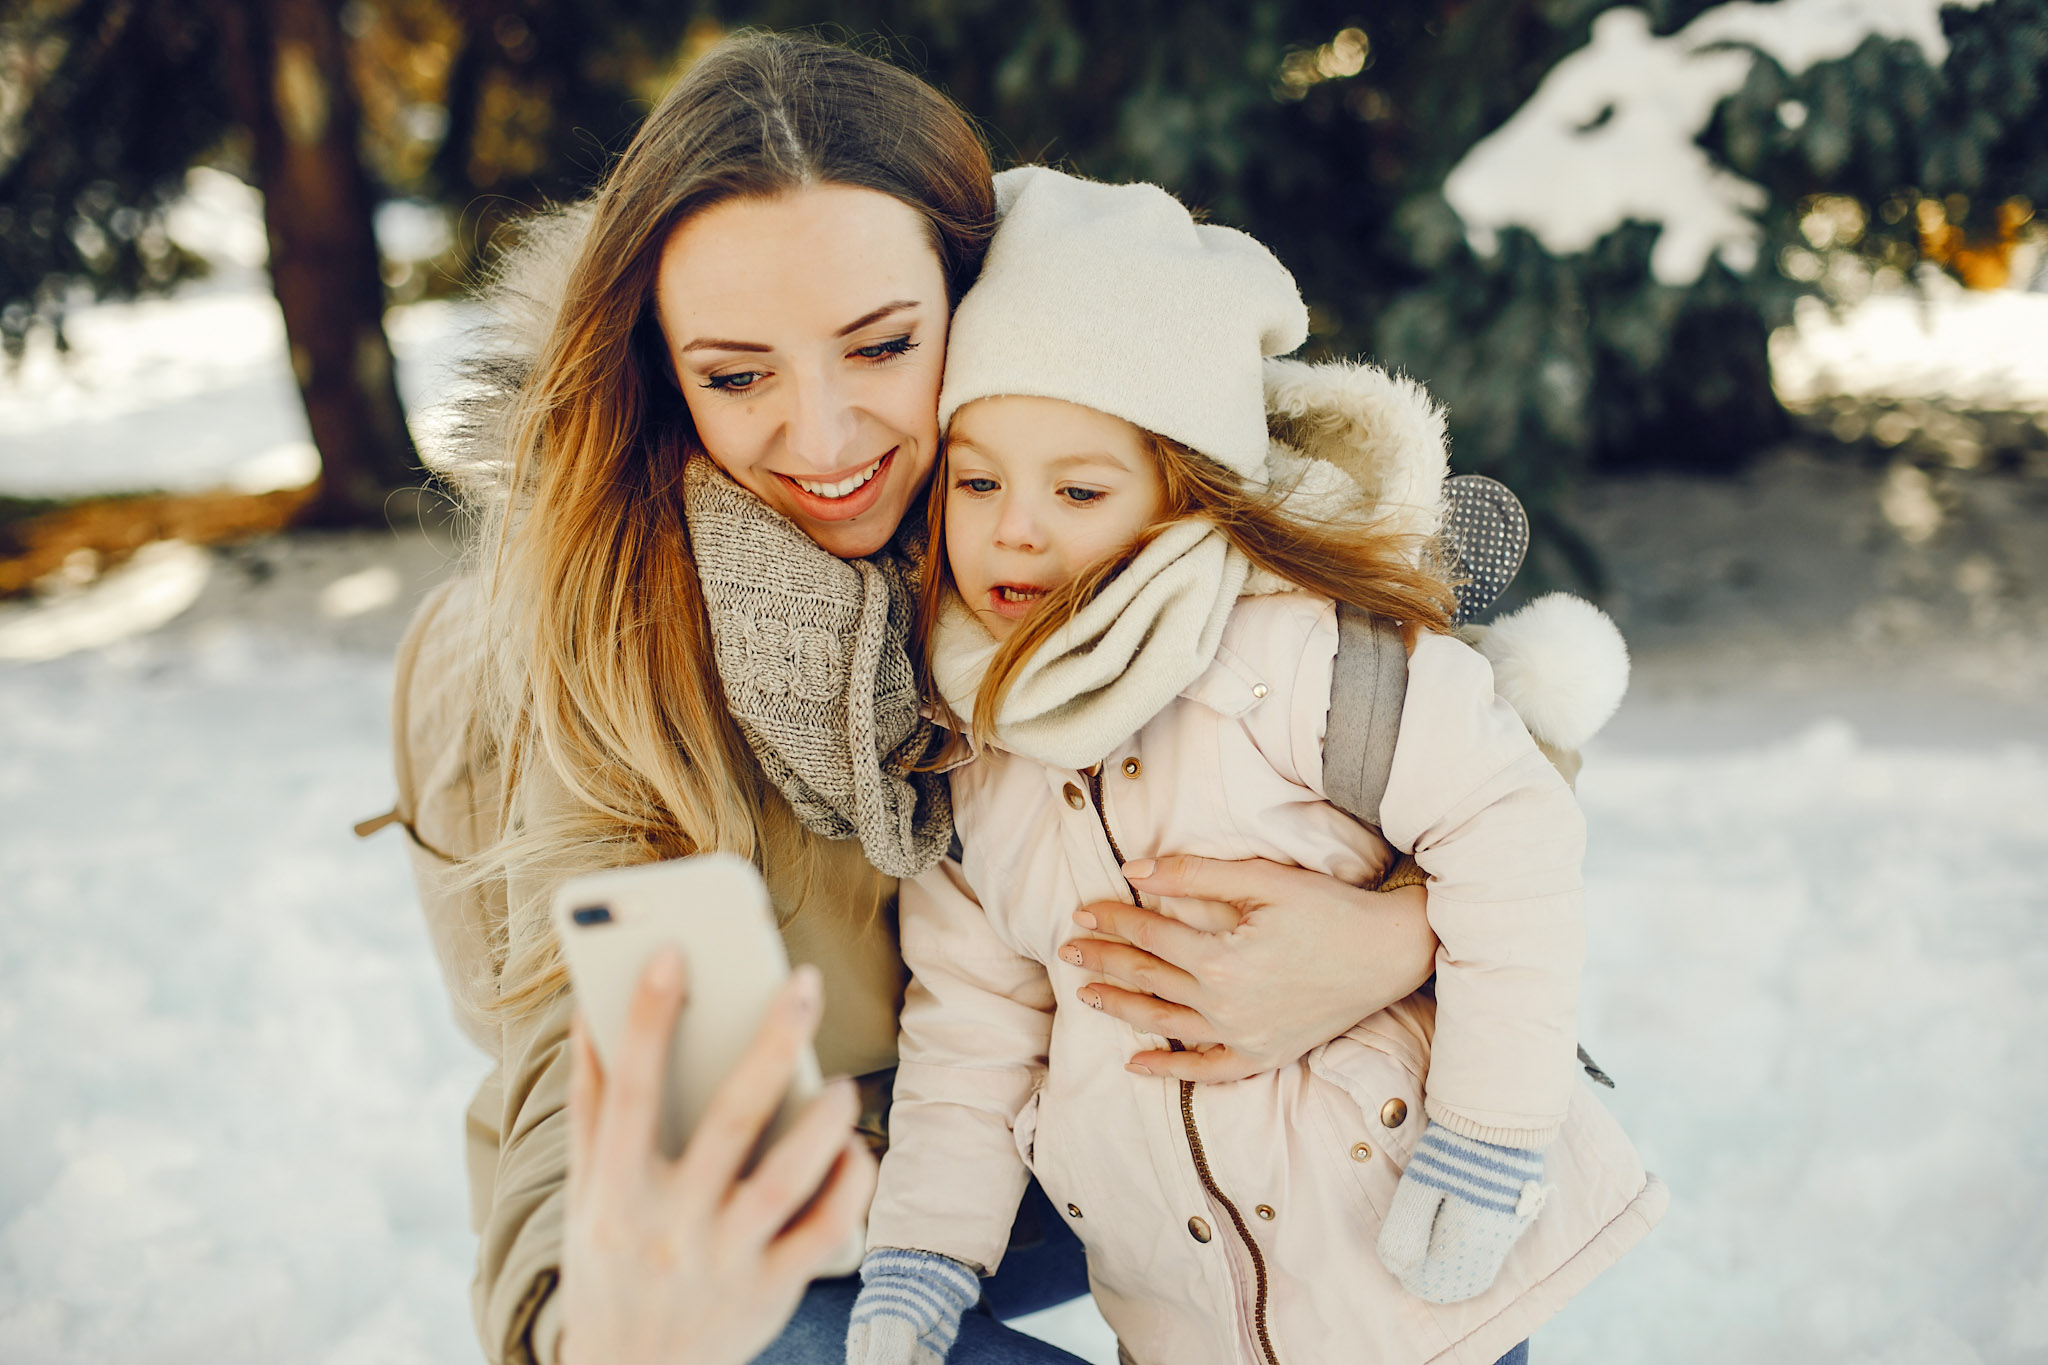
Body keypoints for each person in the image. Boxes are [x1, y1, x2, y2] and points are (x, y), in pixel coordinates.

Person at [387, 32, 1449, 1365]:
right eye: (736, 376)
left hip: (1085, 1109)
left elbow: (1456, 719)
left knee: (1400, 1186)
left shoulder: (1075, 452)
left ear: (978, 302)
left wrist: (1393, 941)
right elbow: (601, 1066)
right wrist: (594, 1324)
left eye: (881, 346)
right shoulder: (604, 630)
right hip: (830, 1167)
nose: (824, 440)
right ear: (662, 372)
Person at [842, 168, 1666, 1365]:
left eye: (1077, 488)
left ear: (1181, 494)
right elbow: (972, 1022)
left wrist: (1488, 1133)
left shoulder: (1306, 653)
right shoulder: (975, 742)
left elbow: (1513, 834)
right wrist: (923, 1261)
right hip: (1186, 1311)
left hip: (1416, 1269)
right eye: (978, 481)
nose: (1013, 527)